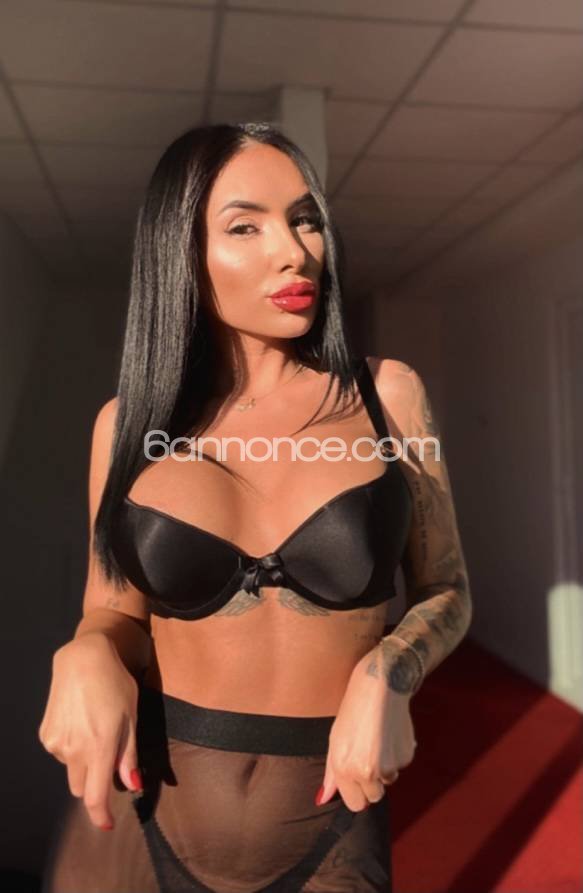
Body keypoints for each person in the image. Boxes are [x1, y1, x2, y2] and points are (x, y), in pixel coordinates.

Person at [38, 122, 473, 893]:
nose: (294, 251)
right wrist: (85, 650)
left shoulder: (386, 398)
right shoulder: (125, 426)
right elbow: (113, 612)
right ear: (181, 251)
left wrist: (388, 670)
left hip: (330, 822)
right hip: (140, 818)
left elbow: (446, 588)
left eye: (304, 220)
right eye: (246, 226)